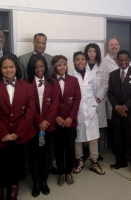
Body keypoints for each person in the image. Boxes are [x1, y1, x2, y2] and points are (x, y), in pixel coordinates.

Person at [0, 55, 36, 200]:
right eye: (4, 67)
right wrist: (3, 133)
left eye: (11, 66)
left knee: (16, 164)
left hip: (20, 134)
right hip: (1, 134)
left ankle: (13, 188)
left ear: (16, 68)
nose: (8, 70)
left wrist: (17, 133)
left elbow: (30, 111)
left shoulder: (27, 87)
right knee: (0, 163)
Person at [26, 54, 59, 197]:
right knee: (33, 155)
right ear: (32, 68)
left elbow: (55, 104)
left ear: (45, 67)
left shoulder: (52, 82)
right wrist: (39, 121)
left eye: (41, 66)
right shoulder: (26, 83)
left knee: (46, 154)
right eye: (36, 67)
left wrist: (46, 121)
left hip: (48, 125)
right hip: (32, 125)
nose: (39, 69)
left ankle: (44, 182)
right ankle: (36, 183)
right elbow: (28, 105)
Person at [107, 50, 131, 178]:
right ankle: (120, 162)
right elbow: (110, 93)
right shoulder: (113, 75)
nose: (123, 62)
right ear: (117, 60)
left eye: (125, 60)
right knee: (118, 140)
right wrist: (117, 107)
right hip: (117, 114)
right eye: (120, 60)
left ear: (129, 60)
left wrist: (125, 107)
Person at [71, 51, 105, 175]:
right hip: (78, 111)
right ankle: (79, 160)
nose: (80, 62)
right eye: (77, 59)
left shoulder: (91, 75)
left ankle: (94, 161)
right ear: (73, 61)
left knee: (93, 136)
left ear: (86, 61)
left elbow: (95, 92)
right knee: (78, 137)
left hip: (91, 110)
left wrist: (94, 106)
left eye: (82, 59)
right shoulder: (72, 76)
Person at [51, 55, 81, 186]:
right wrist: (56, 116)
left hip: (70, 121)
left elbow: (77, 98)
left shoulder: (73, 80)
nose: (62, 67)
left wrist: (70, 117)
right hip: (55, 121)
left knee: (69, 147)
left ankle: (69, 172)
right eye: (59, 64)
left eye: (64, 64)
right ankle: (61, 172)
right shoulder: (49, 81)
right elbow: (49, 102)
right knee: (58, 148)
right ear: (54, 67)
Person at [84, 43, 108, 161]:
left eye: (94, 51)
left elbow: (105, 83)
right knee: (86, 127)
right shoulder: (83, 65)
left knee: (97, 128)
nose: (92, 53)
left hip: (98, 101)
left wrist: (98, 98)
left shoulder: (102, 66)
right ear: (86, 52)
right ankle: (86, 152)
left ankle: (95, 152)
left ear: (97, 53)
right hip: (86, 102)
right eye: (90, 51)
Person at [101, 38, 120, 152]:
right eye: (111, 45)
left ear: (119, 46)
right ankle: (114, 148)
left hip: (124, 98)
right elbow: (104, 82)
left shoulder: (125, 59)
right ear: (108, 47)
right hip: (110, 98)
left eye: (116, 44)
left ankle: (121, 147)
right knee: (112, 124)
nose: (114, 46)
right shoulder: (104, 62)